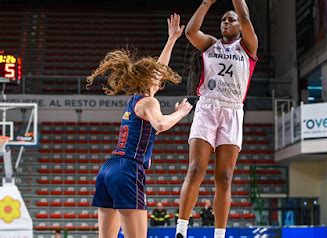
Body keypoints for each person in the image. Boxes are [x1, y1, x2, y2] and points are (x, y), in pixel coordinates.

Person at [89, 14, 192, 238]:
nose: (160, 74)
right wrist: (180, 112)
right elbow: (161, 124)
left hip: (108, 169)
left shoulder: (135, 99)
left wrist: (172, 39)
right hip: (128, 170)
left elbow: (159, 68)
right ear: (149, 80)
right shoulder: (149, 102)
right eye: (155, 75)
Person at [176, 0, 258, 237]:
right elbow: (191, 31)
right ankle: (181, 229)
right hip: (208, 108)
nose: (226, 22)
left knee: (224, 177)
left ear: (239, 26)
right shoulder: (211, 44)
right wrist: (206, 3)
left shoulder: (248, 47)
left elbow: (244, 16)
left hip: (233, 111)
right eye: (223, 19)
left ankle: (219, 234)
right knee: (195, 170)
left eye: (230, 19)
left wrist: (238, 5)